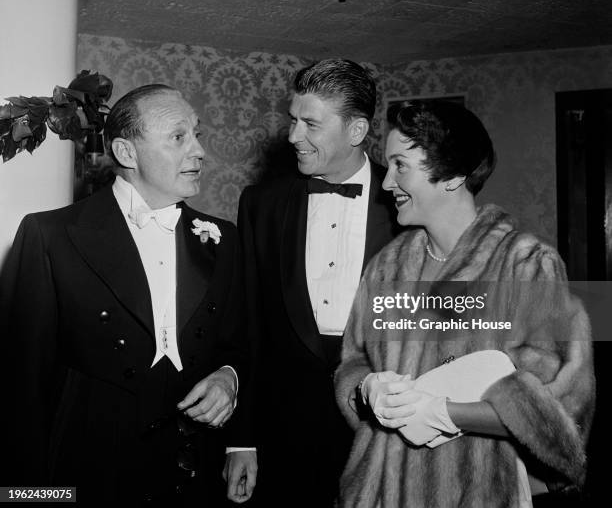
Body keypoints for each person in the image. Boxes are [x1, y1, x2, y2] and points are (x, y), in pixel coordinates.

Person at [334, 100, 595, 507]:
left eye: (401, 166)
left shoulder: (525, 264)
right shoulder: (385, 267)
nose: (386, 184)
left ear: (453, 175)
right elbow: (353, 361)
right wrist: (367, 388)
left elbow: (560, 405)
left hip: (476, 491)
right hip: (378, 490)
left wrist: (446, 413)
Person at [0, 85, 248, 507]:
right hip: (88, 469)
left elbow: (242, 341)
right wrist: (30, 497)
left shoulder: (224, 239)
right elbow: (18, 388)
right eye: (178, 136)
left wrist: (230, 377)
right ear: (127, 153)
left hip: (190, 473)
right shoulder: (51, 235)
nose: (199, 151)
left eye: (197, 134)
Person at [226, 59, 397, 506]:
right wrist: (241, 440)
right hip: (283, 436)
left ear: (357, 130)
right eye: (293, 120)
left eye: (311, 124)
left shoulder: (407, 206)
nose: (292, 136)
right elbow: (246, 325)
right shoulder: (261, 203)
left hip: (384, 433)